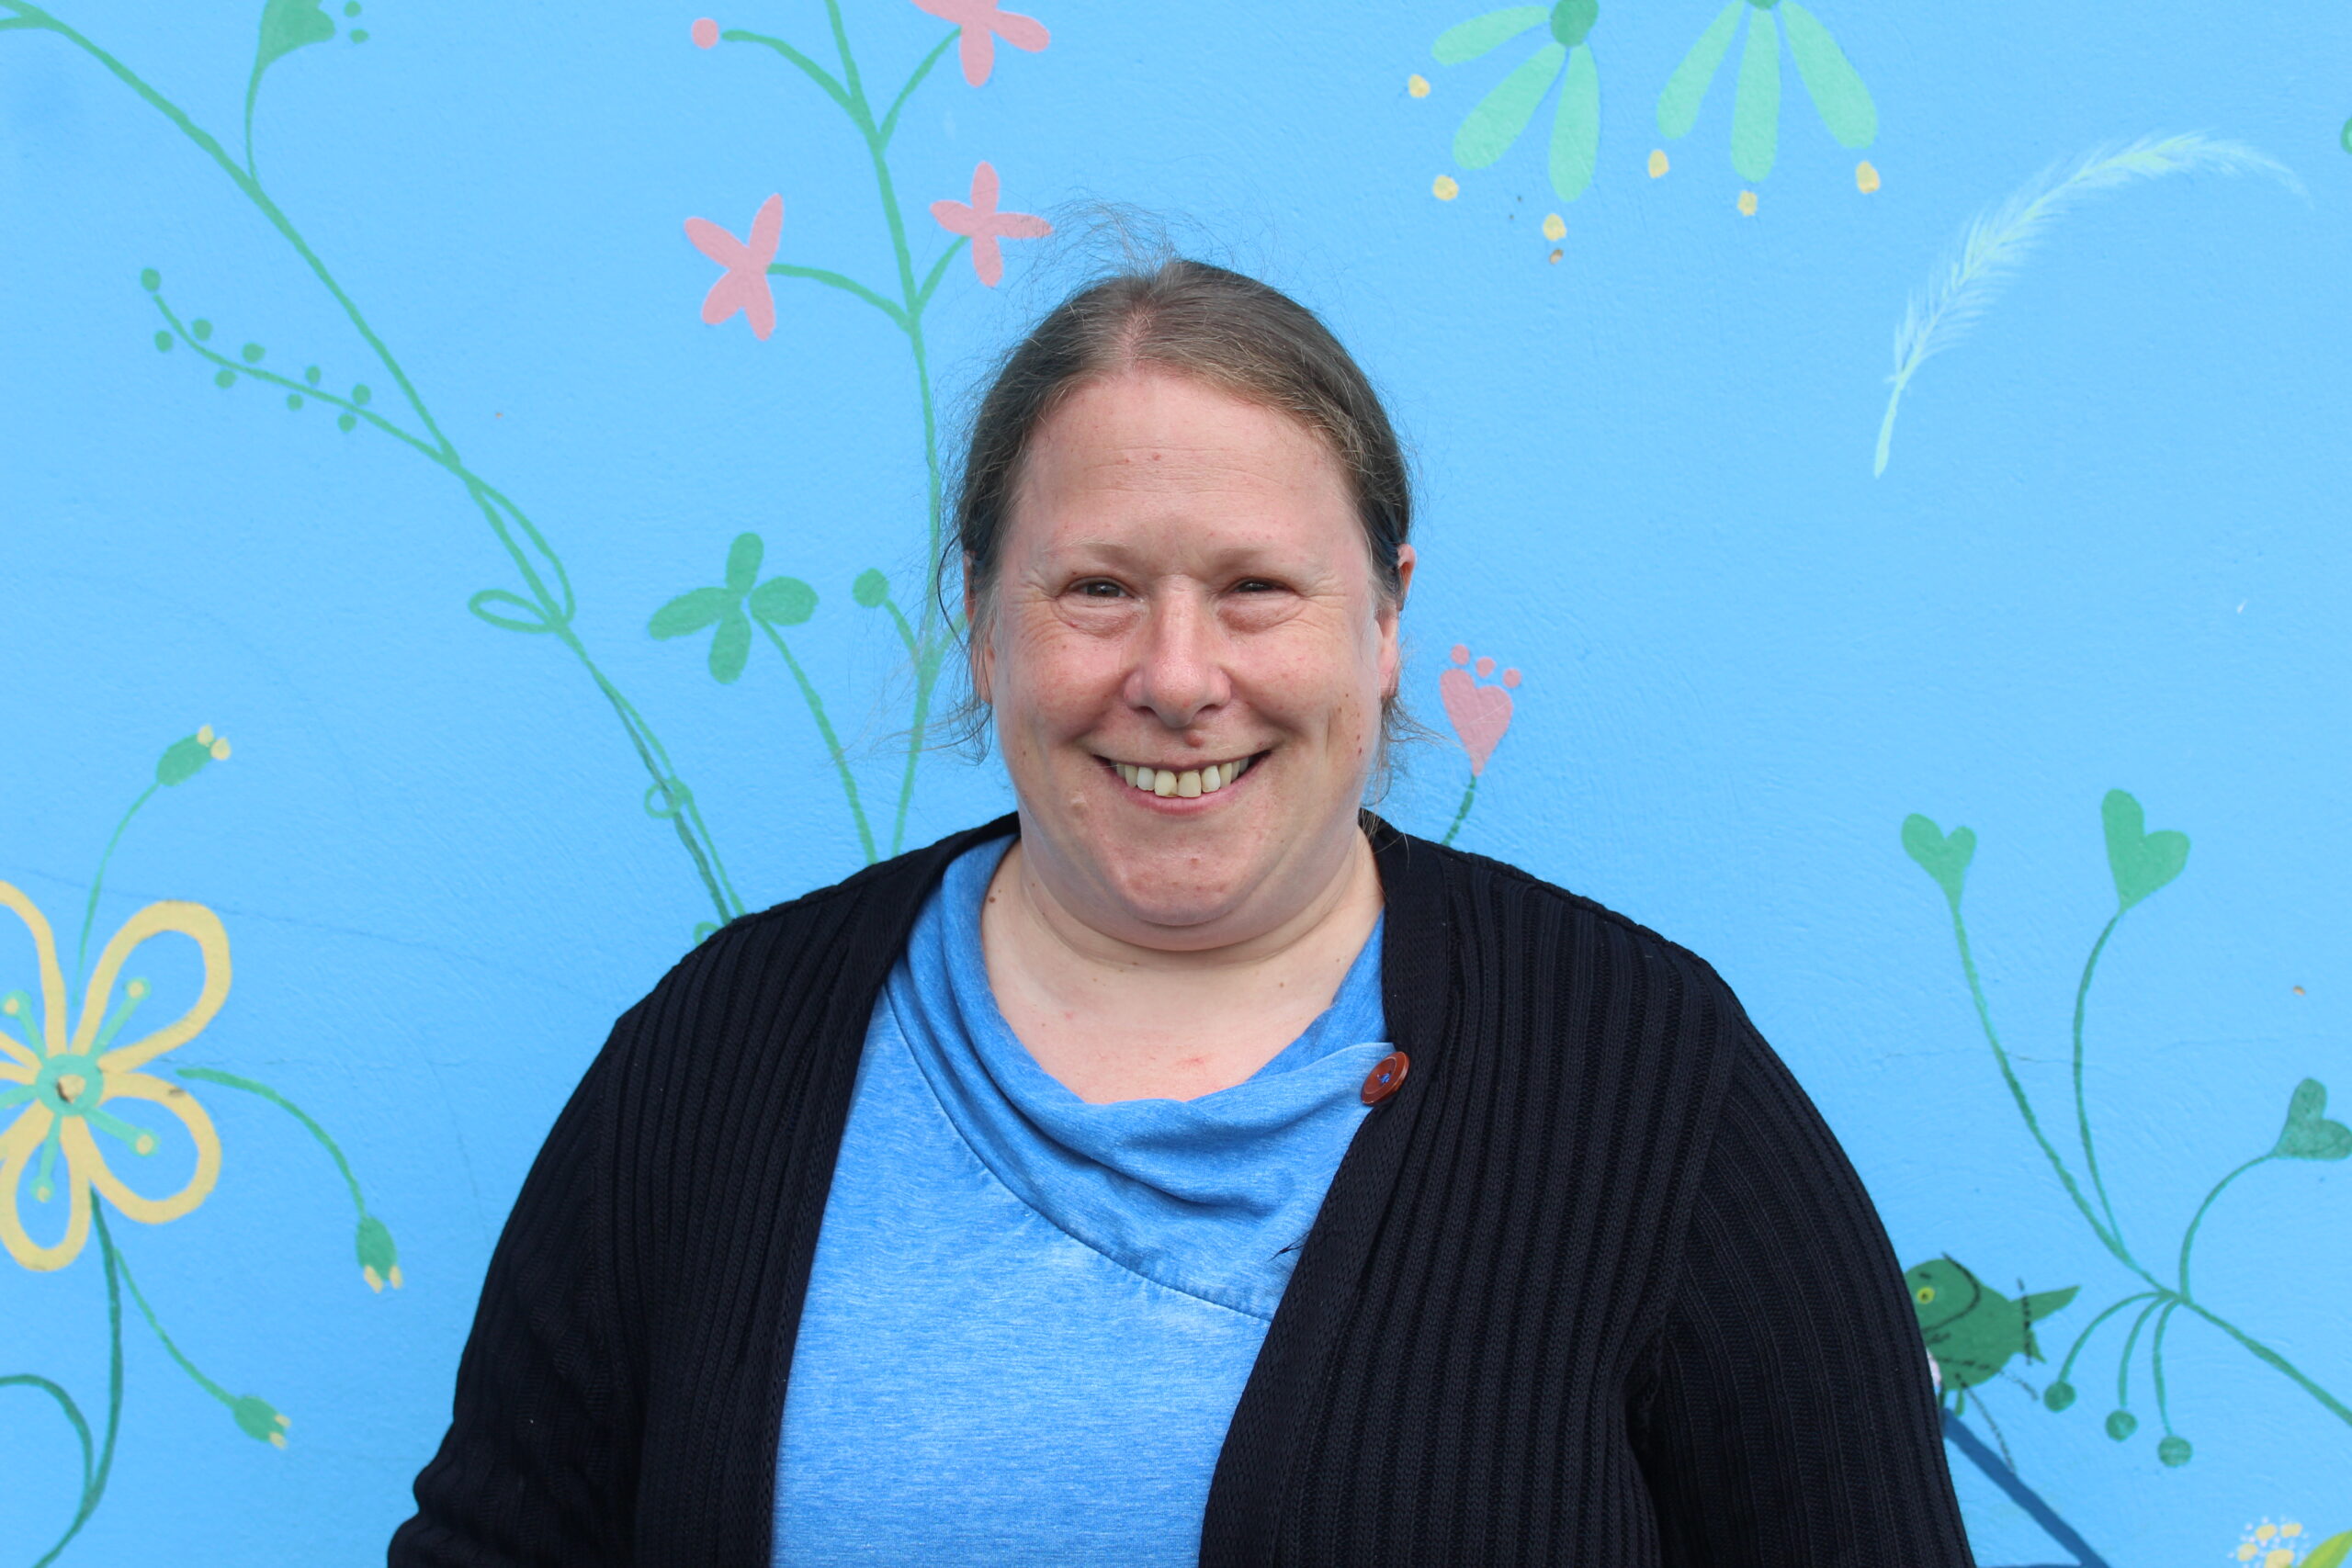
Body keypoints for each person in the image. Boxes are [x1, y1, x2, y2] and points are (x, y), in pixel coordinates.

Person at [390, 260, 1974, 1566]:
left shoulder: (1647, 1081)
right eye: (1097, 590)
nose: (1175, 675)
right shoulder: (722, 1054)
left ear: (1385, 622)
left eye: (1254, 589)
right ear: (983, 624)